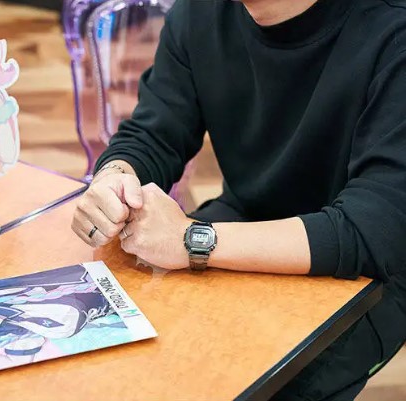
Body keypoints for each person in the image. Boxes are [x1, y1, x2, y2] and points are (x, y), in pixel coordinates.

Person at [70, 0, 406, 399]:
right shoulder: (200, 14)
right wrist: (116, 176)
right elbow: (156, 131)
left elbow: (373, 231)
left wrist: (191, 240)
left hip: (370, 272)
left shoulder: (393, 31)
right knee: (124, 346)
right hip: (246, 220)